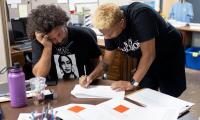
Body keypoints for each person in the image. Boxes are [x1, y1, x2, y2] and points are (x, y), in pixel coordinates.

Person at [79, 2, 186, 97]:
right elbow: (106, 62)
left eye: (110, 33)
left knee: (169, 94)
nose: (106, 37)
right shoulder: (109, 28)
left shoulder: (141, 15)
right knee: (145, 90)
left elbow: (149, 54)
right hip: (145, 56)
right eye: (103, 33)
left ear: (121, 23)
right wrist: (90, 77)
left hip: (168, 53)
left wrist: (132, 83)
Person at [27, 5, 102, 82]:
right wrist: (47, 47)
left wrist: (91, 78)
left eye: (59, 34)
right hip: (55, 89)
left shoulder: (84, 35)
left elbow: (97, 61)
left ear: (64, 24)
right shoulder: (40, 41)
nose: (59, 40)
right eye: (52, 39)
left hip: (82, 86)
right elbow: (39, 75)